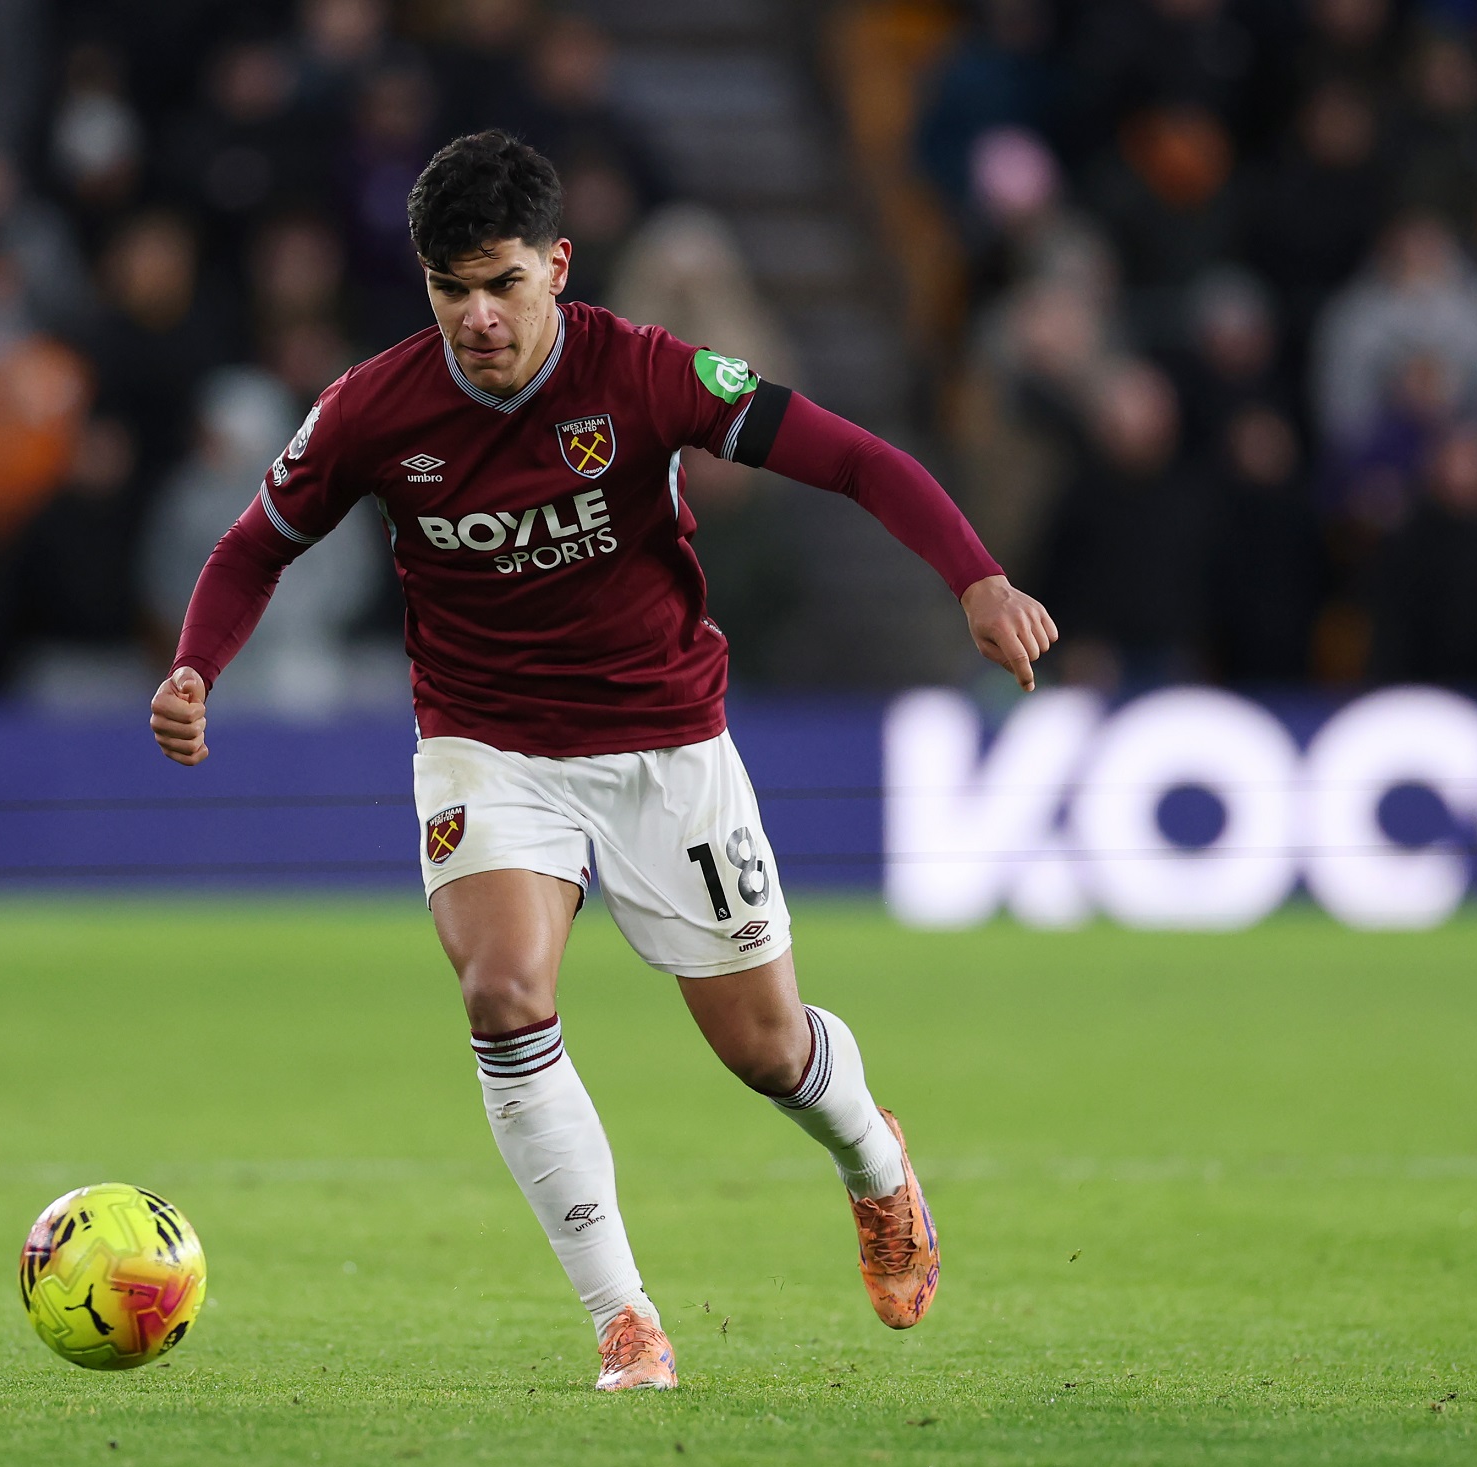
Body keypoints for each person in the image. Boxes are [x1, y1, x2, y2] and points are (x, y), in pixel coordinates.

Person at [148, 133, 1056, 1390]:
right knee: (503, 994)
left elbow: (851, 457)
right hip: (486, 744)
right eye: (447, 287)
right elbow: (255, 546)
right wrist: (198, 665)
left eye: (501, 283)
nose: (476, 316)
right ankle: (622, 1317)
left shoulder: (648, 375)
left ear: (557, 267)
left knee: (764, 1048)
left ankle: (874, 1163)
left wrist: (975, 576)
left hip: (664, 743)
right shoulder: (372, 408)